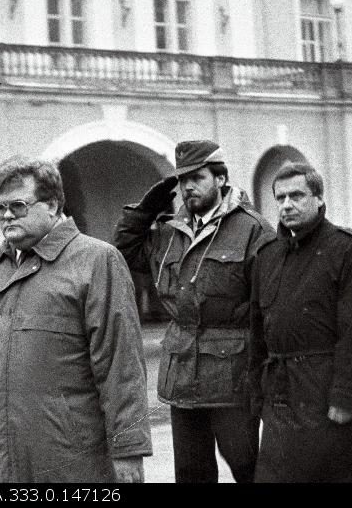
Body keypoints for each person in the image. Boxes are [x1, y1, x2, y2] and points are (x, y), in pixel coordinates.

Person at [0, 157, 152, 483]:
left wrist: (128, 451)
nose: (6, 216)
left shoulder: (97, 262)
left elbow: (122, 368)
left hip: (73, 466)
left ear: (51, 204)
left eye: (17, 206)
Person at [114, 140, 273, 483]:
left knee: (248, 468)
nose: (188, 186)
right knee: (190, 474)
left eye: (197, 177)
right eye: (182, 179)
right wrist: (143, 213)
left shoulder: (252, 229)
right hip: (182, 374)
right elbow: (121, 256)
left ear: (220, 179)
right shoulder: (171, 231)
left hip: (233, 376)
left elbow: (270, 306)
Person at [247, 162, 352, 482]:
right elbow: (257, 331)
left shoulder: (347, 249)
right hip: (280, 398)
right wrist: (257, 395)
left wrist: (346, 397)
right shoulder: (267, 254)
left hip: (329, 394)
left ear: (319, 198)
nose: (287, 205)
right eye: (280, 198)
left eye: (297, 195)